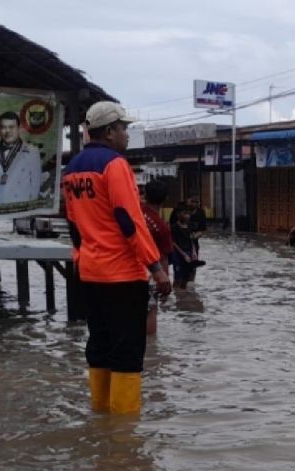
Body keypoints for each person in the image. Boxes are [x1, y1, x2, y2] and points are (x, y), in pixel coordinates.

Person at [62, 101, 171, 416]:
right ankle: (123, 437)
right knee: (127, 352)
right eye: (124, 128)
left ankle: (100, 417)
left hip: (90, 272)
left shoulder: (72, 170)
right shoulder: (115, 165)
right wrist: (156, 269)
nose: (127, 134)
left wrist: (81, 258)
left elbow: (73, 224)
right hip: (122, 275)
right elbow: (129, 221)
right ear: (109, 132)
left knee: (99, 345)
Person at [0, 111, 43, 205]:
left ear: (19, 128)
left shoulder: (32, 152)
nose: (7, 131)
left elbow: (35, 188)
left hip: (19, 212)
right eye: (3, 127)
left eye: (11, 127)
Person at [141, 179, 174, 335]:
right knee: (151, 310)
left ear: (145, 195)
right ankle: (151, 351)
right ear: (166, 198)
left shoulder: (134, 211)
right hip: (151, 273)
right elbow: (164, 258)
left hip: (124, 269)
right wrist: (165, 281)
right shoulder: (162, 227)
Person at [170, 205, 197, 289]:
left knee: (187, 276)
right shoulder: (174, 227)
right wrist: (183, 254)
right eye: (185, 213)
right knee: (177, 277)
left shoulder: (190, 226)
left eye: (188, 214)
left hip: (189, 253)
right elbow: (173, 243)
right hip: (178, 254)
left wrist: (194, 252)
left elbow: (191, 240)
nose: (187, 216)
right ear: (178, 214)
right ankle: (176, 294)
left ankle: (183, 297)